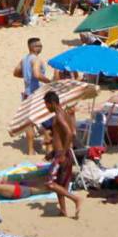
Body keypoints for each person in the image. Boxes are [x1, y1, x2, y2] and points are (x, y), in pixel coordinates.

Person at [43, 91, 82, 219]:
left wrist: (61, 154)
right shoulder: (65, 114)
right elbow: (68, 134)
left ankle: (75, 199)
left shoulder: (59, 116)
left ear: (53, 103)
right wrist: (52, 144)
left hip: (62, 154)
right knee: (60, 185)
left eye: (47, 105)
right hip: (63, 153)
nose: (46, 107)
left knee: (49, 183)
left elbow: (69, 134)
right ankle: (63, 211)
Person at [13, 38, 50, 155]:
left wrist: (27, 78)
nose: (40, 47)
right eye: (37, 46)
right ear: (30, 47)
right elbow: (37, 74)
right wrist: (49, 81)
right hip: (37, 94)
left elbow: (16, 73)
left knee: (29, 124)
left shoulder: (24, 59)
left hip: (27, 94)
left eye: (40, 45)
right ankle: (49, 151)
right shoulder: (36, 60)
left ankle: (30, 151)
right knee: (46, 122)